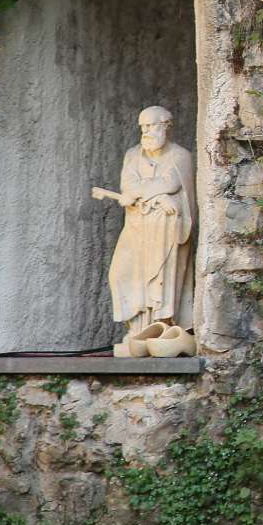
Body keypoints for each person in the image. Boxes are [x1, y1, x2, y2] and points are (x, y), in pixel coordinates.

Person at [105, 106, 195, 350]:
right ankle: (136, 331)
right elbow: (128, 186)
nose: (145, 132)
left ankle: (161, 329)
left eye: (151, 126)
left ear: (165, 126)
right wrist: (158, 197)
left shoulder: (180, 156)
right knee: (121, 273)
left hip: (166, 230)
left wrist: (154, 194)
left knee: (161, 279)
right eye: (142, 127)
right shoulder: (133, 155)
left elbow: (174, 183)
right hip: (137, 227)